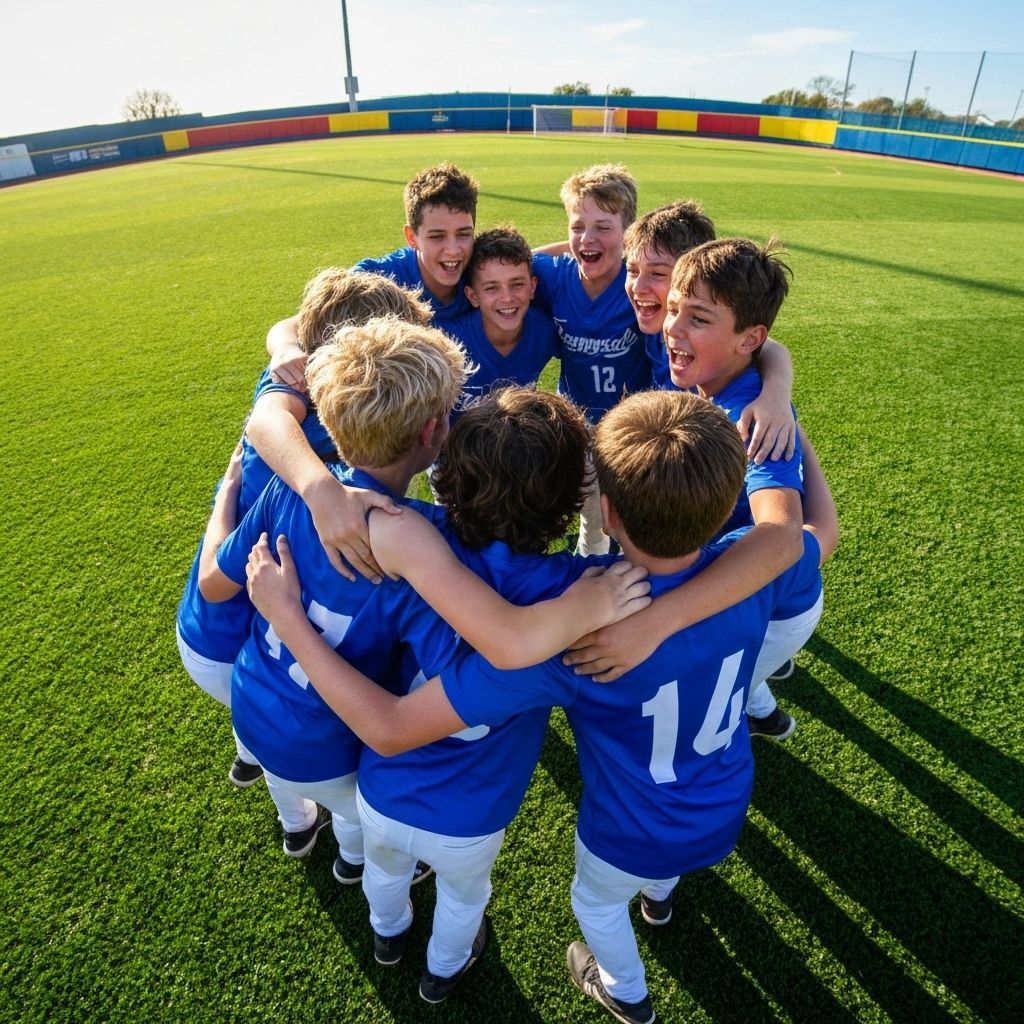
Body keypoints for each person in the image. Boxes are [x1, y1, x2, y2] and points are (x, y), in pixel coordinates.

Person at [247, 388, 836, 1024]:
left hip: (586, 824)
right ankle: (651, 902)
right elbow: (809, 534)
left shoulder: (525, 608)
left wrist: (298, 586)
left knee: (592, 903)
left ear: (605, 510)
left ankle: (619, 992)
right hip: (719, 797)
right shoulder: (744, 572)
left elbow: (393, 726)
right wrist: (785, 416)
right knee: (590, 888)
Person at [199, 318, 648, 891]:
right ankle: (355, 863)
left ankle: (322, 846)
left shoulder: (292, 488)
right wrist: (592, 600)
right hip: (332, 742)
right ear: (434, 431)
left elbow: (214, 583)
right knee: (367, 833)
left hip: (253, 706)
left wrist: (232, 499)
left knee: (354, 831)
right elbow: (506, 641)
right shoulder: (410, 536)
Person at [174, 267, 429, 857]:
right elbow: (267, 425)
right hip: (231, 640)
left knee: (266, 730)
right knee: (289, 715)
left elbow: (288, 333)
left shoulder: (295, 382)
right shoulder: (308, 455)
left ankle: (288, 815)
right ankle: (344, 849)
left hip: (216, 630)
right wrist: (321, 491)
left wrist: (284, 341)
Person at [660, 236, 819, 738]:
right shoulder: (712, 367)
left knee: (714, 686)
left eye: (698, 319)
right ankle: (762, 695)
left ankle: (757, 706)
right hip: (760, 594)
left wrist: (663, 617)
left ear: (747, 340)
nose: (673, 328)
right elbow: (771, 348)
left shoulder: (752, 422)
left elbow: (782, 535)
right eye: (673, 309)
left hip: (771, 605)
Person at [444, 226, 559, 422]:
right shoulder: (447, 342)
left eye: (517, 284)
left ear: (532, 287)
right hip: (455, 442)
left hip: (515, 438)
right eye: (492, 288)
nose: (507, 298)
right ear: (473, 296)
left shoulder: (545, 331)